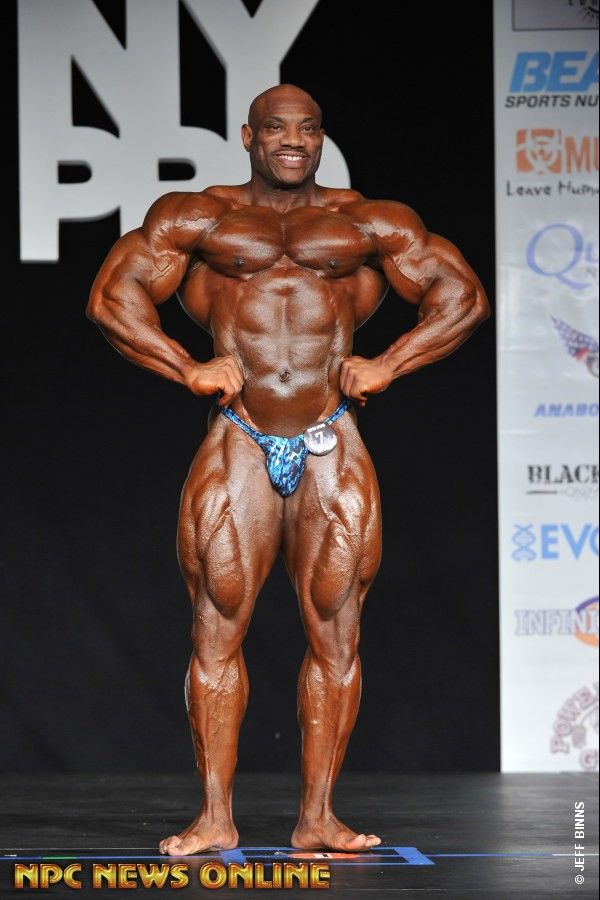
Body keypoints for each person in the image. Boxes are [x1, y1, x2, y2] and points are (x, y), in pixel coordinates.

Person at [87, 83, 490, 855]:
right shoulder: (200, 217)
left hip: (330, 434)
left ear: (322, 138)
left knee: (337, 629)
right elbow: (113, 296)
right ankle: (214, 817)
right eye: (277, 128)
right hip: (238, 436)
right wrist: (185, 366)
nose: (294, 140)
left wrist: (391, 362)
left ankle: (318, 818)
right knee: (216, 626)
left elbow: (461, 295)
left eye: (308, 128)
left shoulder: (365, 220)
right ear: (250, 137)